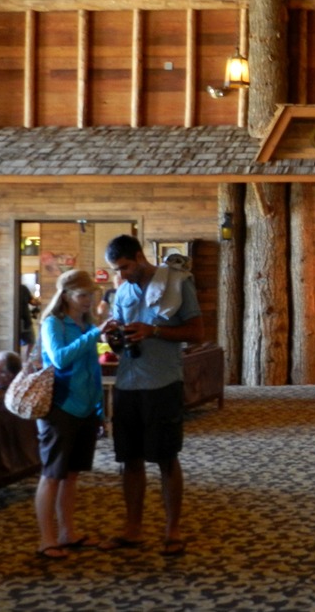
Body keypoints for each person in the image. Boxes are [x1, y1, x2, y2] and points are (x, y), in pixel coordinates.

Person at [100, 235, 204, 557]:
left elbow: (197, 333)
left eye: (126, 266)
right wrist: (114, 336)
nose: (123, 274)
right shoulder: (124, 291)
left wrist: (154, 330)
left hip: (163, 383)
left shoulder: (177, 282)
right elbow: (123, 345)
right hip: (129, 384)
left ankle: (172, 531)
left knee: (165, 459)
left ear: (139, 256)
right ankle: (133, 529)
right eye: (117, 269)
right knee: (129, 460)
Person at [34, 269, 114, 559]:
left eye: (91, 295)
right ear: (65, 295)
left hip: (85, 408)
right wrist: (95, 334)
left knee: (72, 475)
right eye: (82, 295)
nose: (88, 301)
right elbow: (60, 358)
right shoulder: (53, 323)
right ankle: (47, 539)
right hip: (60, 407)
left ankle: (68, 532)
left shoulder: (86, 323)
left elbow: (92, 367)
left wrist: (100, 412)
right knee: (52, 475)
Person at [19, 283, 40, 359]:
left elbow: (31, 301)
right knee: (14, 342)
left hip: (26, 320)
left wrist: (38, 301)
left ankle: (26, 360)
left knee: (31, 341)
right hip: (14, 322)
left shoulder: (23, 288)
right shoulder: (8, 288)